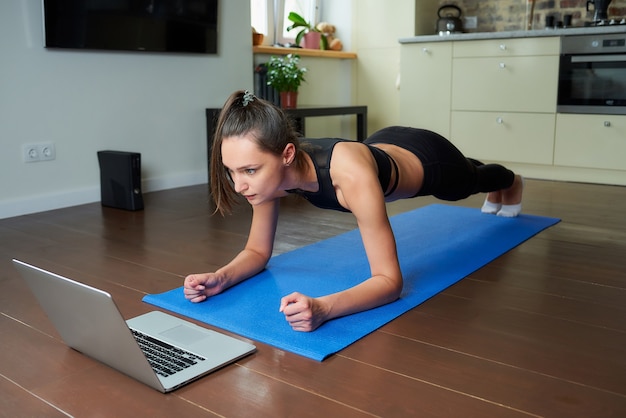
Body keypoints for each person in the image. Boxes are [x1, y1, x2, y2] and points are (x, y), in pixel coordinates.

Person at [184, 90, 524, 332]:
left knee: (469, 180)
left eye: (249, 171)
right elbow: (257, 251)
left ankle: (510, 181)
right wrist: (220, 278)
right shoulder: (271, 177)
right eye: (232, 171)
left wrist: (323, 308)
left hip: (428, 159)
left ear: (287, 154)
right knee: (469, 174)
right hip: (383, 144)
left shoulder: (351, 177)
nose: (238, 184)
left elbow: (390, 282)